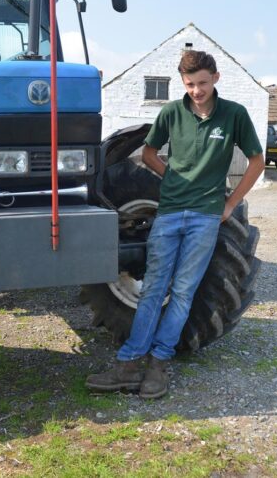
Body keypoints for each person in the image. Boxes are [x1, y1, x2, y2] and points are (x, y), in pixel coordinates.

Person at [86, 50, 264, 399]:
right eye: (189, 84)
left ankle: (158, 364)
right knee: (154, 288)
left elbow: (257, 161)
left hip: (206, 217)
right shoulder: (171, 112)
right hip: (168, 214)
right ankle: (129, 362)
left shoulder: (234, 115)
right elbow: (150, 153)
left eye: (201, 83)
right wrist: (173, 180)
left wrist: (230, 203)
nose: (196, 91)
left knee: (183, 292)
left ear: (215, 78)